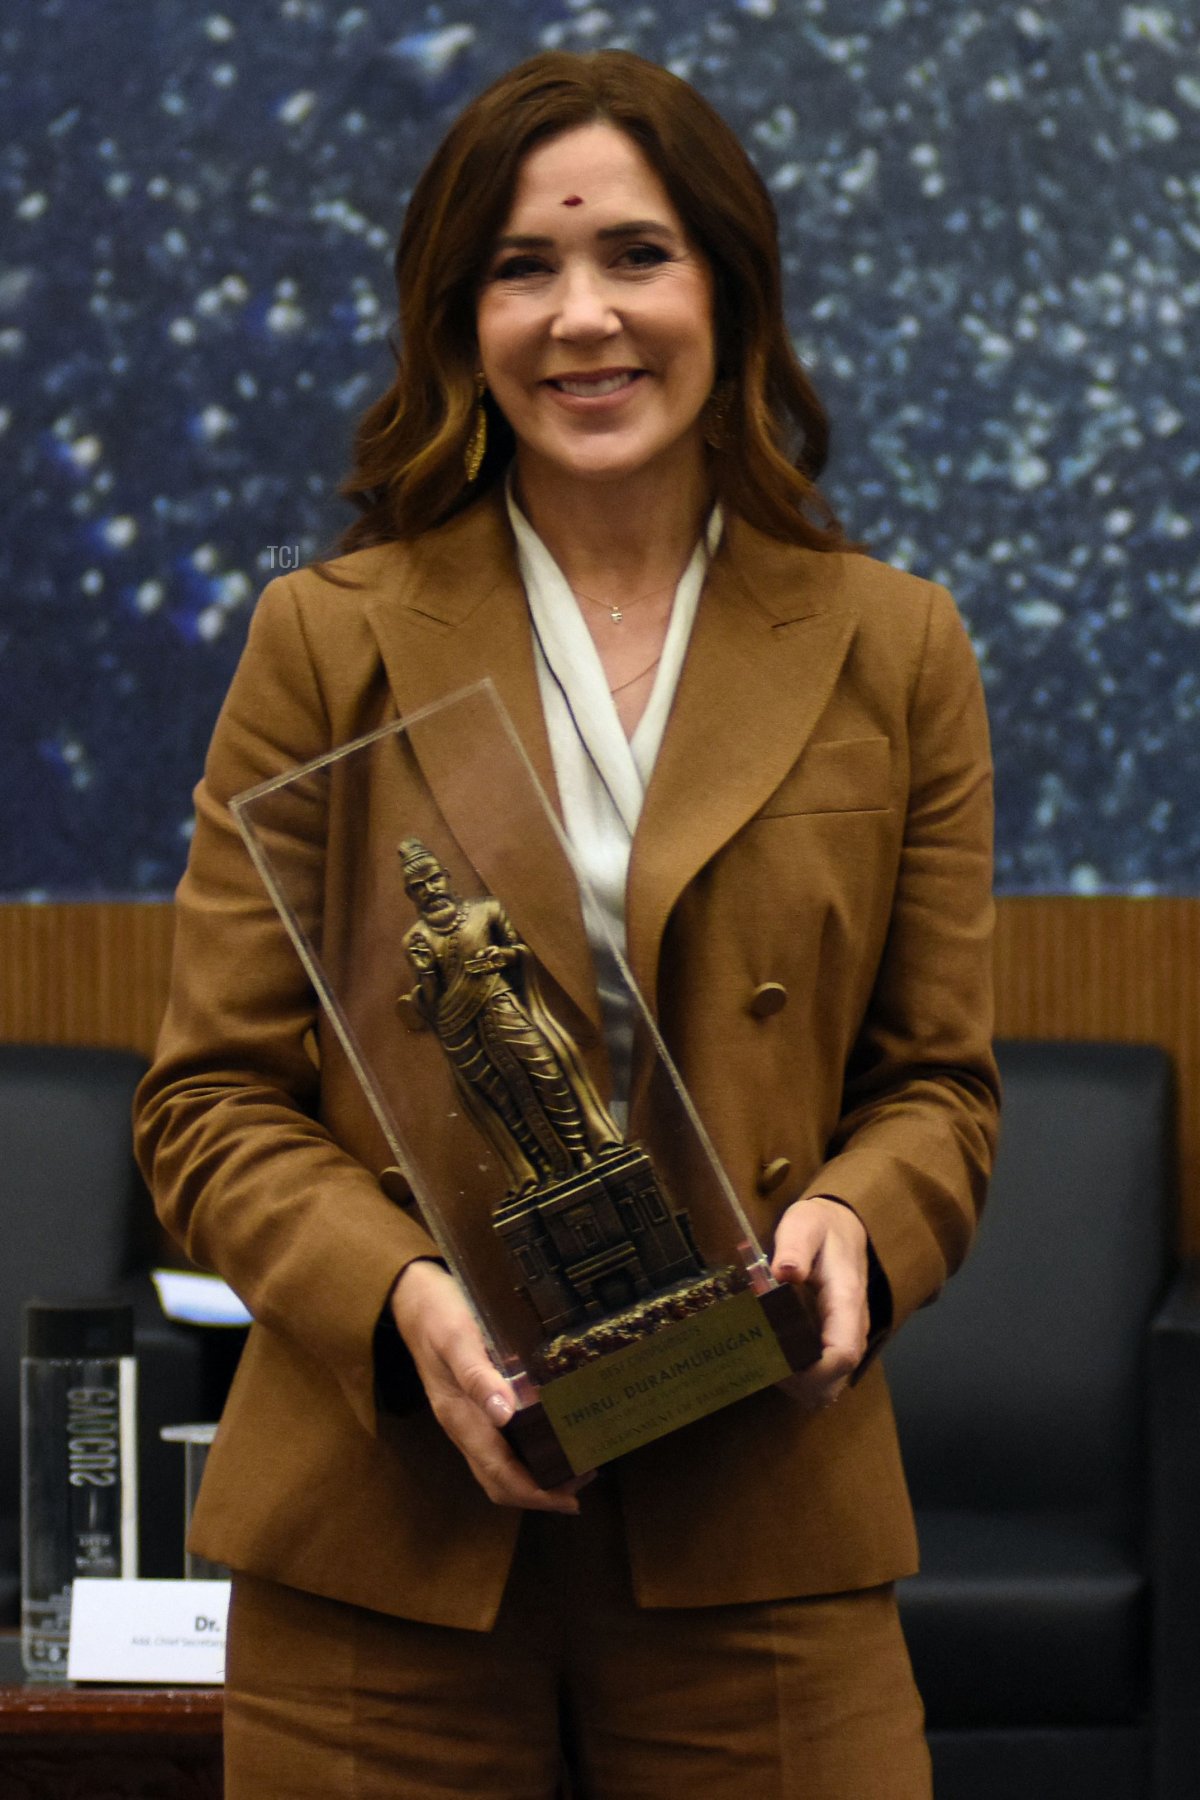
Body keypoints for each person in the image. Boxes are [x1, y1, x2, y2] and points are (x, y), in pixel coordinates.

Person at [134, 47, 998, 1800]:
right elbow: (205, 1104)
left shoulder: (895, 646)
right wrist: (409, 1312)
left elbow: (941, 1090)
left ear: (730, 293)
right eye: (523, 267)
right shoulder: (325, 638)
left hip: (761, 1510)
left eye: (637, 257)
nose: (582, 317)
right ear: (459, 322)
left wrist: (856, 1218)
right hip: (386, 1534)